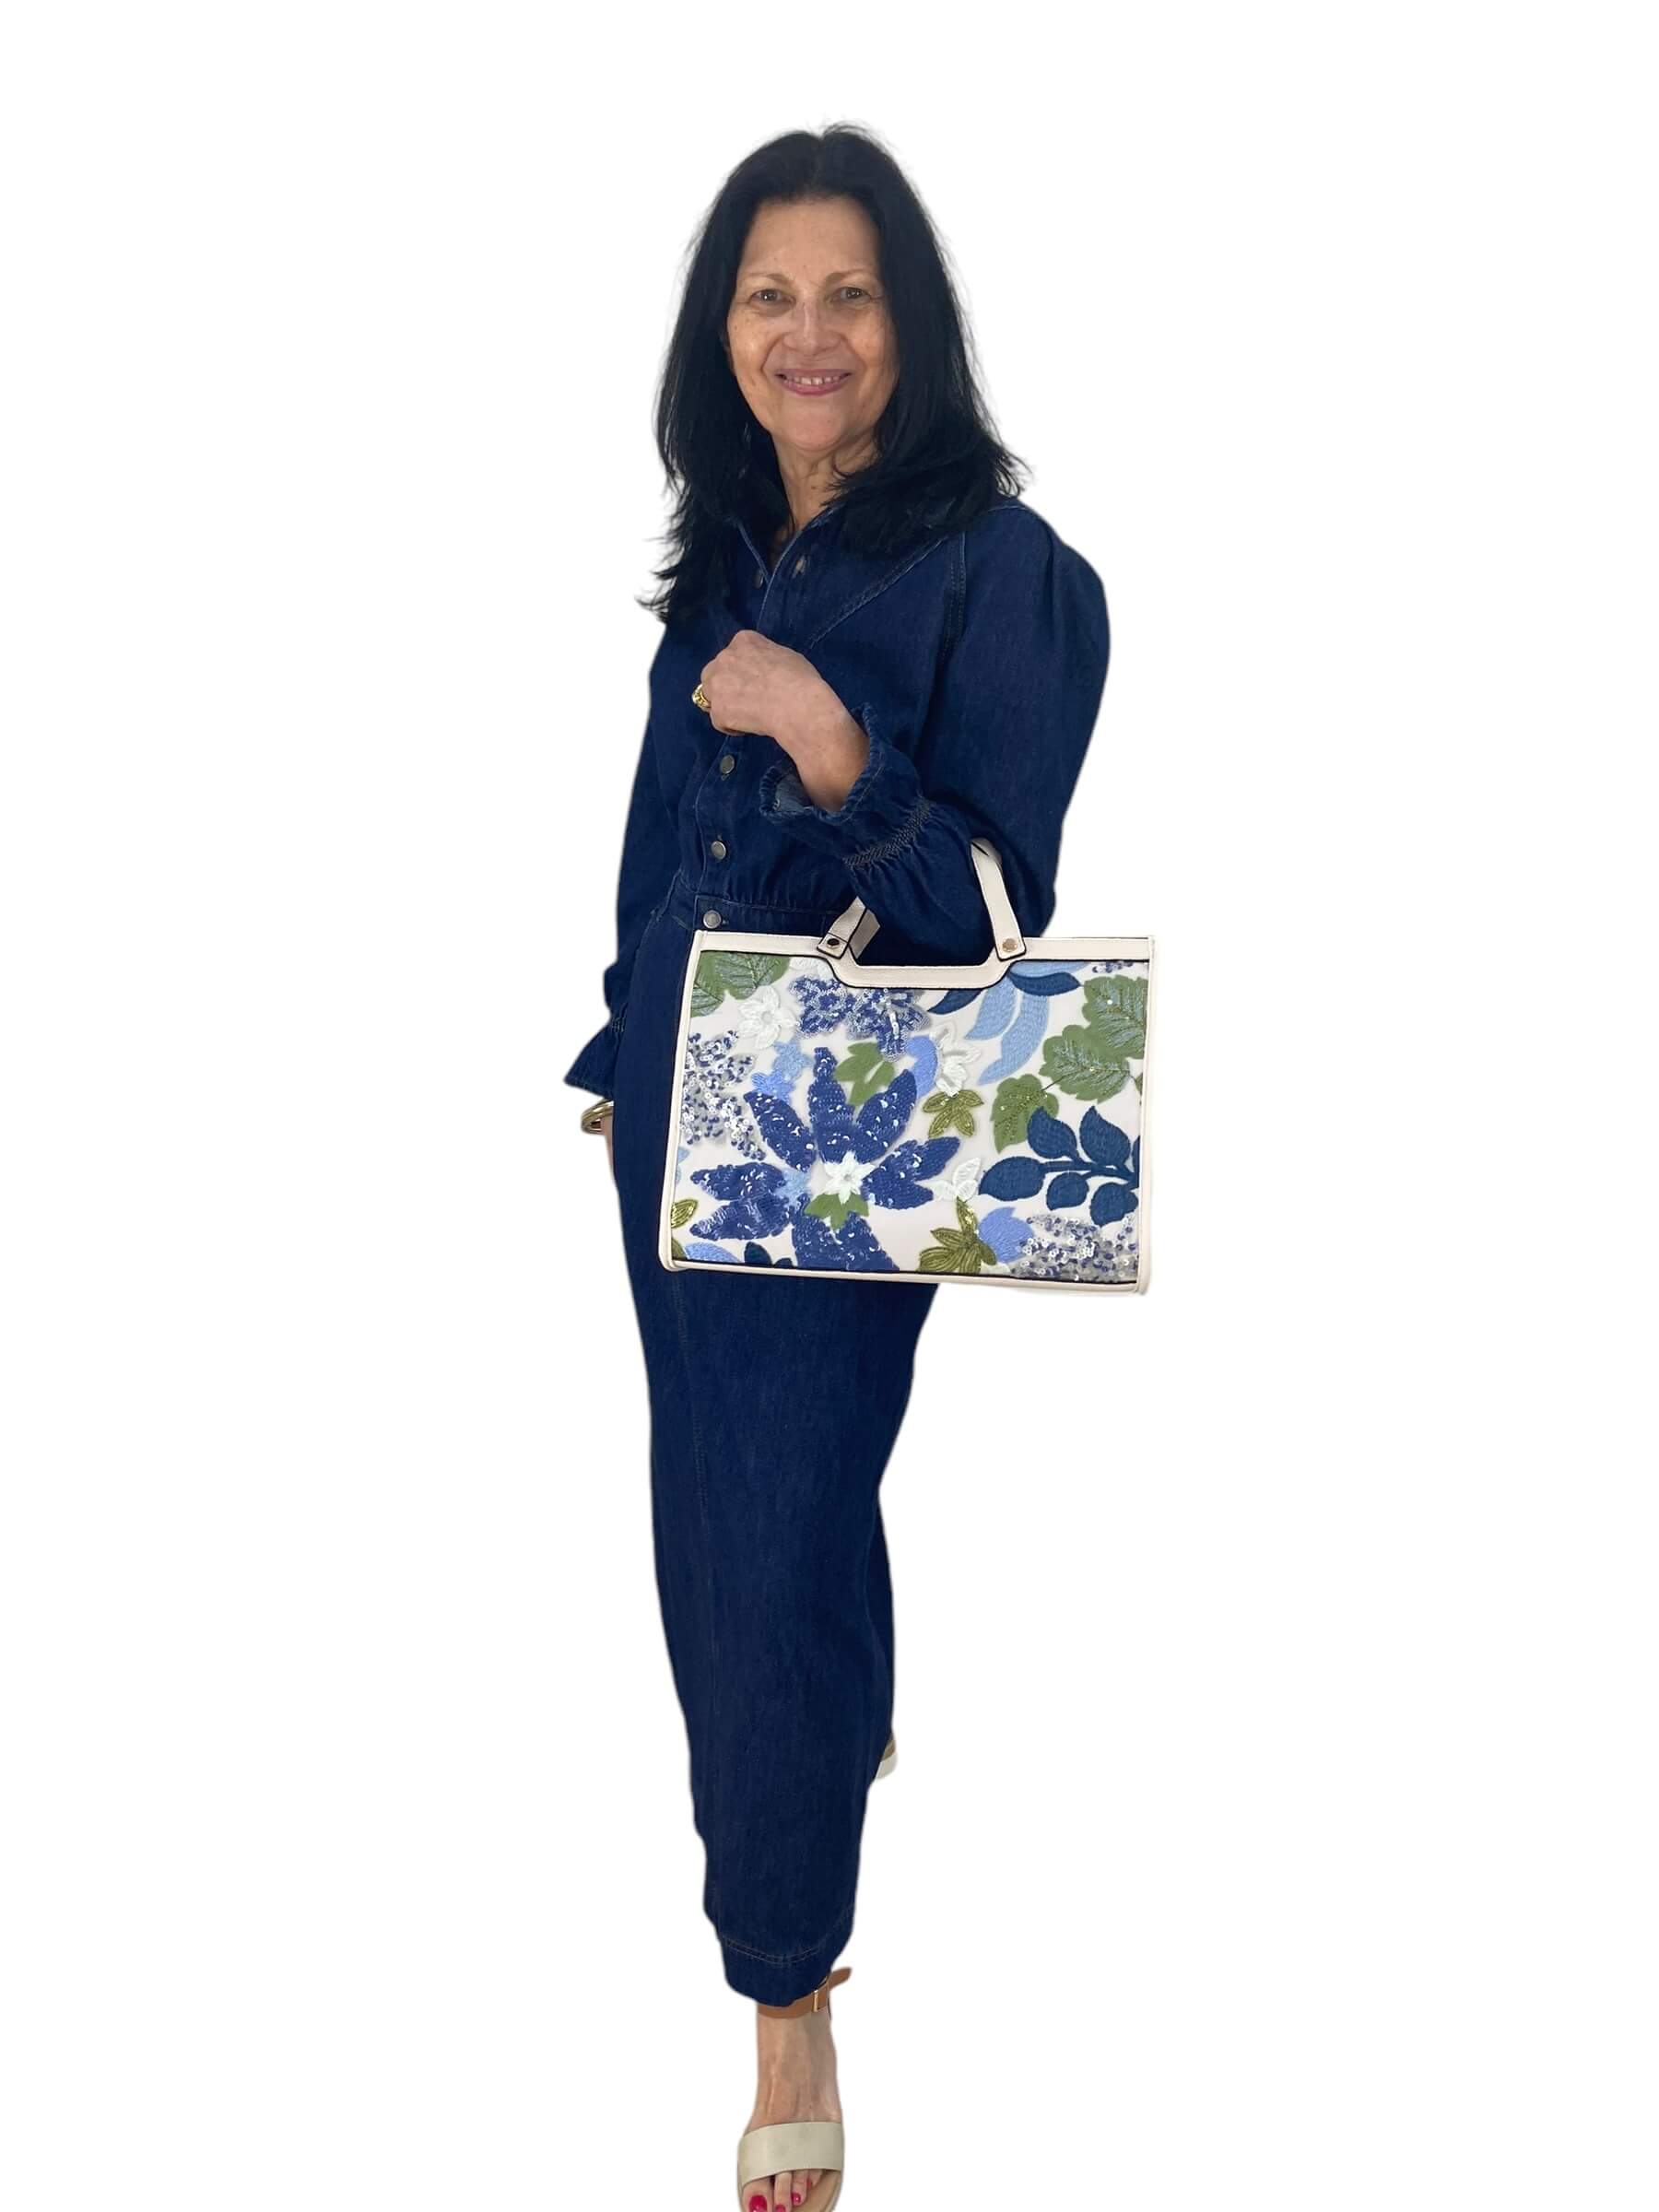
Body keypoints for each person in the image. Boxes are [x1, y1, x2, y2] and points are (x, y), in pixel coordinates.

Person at [564, 124, 1111, 2212]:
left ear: (914, 325)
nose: (811, 336)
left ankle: (786, 1989)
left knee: (754, 1540)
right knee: (732, 1512)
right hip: (680, 1130)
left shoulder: (1009, 572)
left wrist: (833, 747)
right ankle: (837, 1733)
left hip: (838, 1149)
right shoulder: (720, 553)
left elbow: (988, 921)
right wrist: (635, 1047)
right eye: (771, 294)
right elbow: (656, 855)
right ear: (727, 327)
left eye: (851, 294)